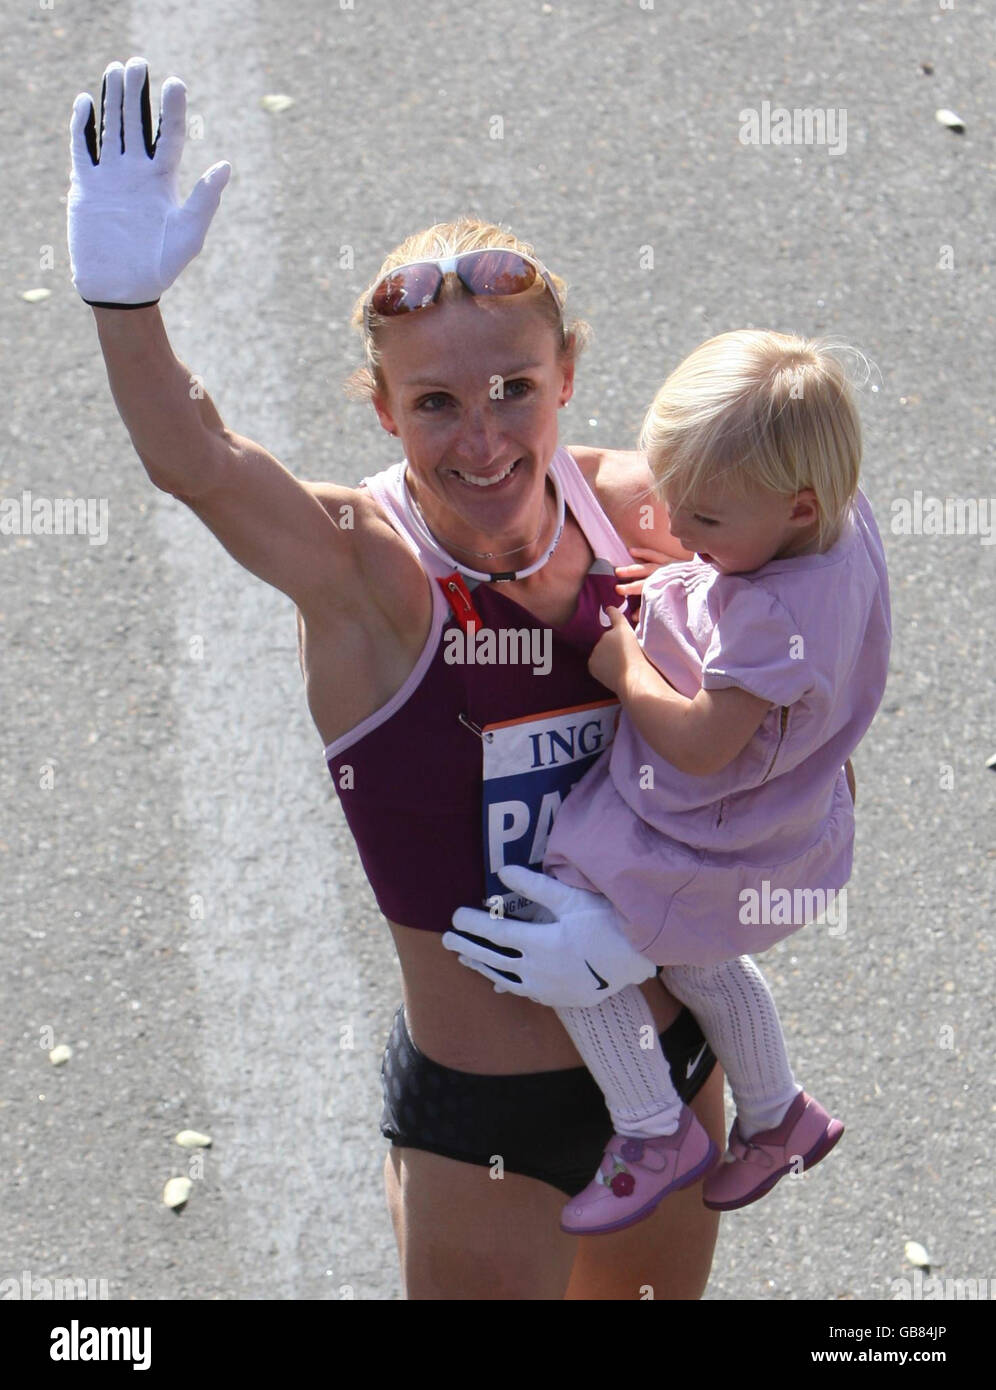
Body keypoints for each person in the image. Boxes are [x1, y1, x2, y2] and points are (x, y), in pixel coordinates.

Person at [68, 56, 732, 1299]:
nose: (482, 439)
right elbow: (200, 463)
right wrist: (123, 304)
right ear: (380, 409)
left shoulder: (647, 518)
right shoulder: (368, 577)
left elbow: (805, 743)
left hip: (673, 1069)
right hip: (489, 1129)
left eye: (513, 390)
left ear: (568, 374)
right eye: (434, 402)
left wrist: (662, 915)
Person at [450, 331, 890, 1236]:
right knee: (701, 958)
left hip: (701, 830)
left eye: (706, 522)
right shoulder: (845, 526)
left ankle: (654, 1130)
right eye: (671, 502)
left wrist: (621, 663)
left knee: (560, 924)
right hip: (791, 816)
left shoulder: (768, 613)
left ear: (799, 509)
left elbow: (695, 744)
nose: (677, 532)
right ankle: (776, 1114)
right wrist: (698, 577)